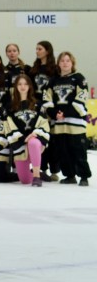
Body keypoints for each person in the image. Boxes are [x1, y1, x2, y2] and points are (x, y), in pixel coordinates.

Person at [42, 51, 91, 186]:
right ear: (58, 63)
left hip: (75, 124)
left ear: (72, 63)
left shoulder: (79, 78)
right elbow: (47, 99)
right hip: (58, 124)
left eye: (68, 60)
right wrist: (53, 113)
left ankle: (84, 177)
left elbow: (81, 97)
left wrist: (65, 113)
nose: (65, 63)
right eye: (62, 60)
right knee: (63, 151)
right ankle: (69, 176)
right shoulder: (53, 80)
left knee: (78, 151)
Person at [7, 74, 49, 187]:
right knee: (25, 180)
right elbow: (9, 126)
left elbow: (44, 122)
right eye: (19, 84)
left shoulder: (38, 104)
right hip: (20, 142)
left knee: (33, 142)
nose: (23, 86)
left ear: (30, 86)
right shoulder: (10, 106)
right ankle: (35, 172)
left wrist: (34, 133)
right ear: (15, 87)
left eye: (25, 84)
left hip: (35, 139)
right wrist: (22, 137)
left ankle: (37, 176)